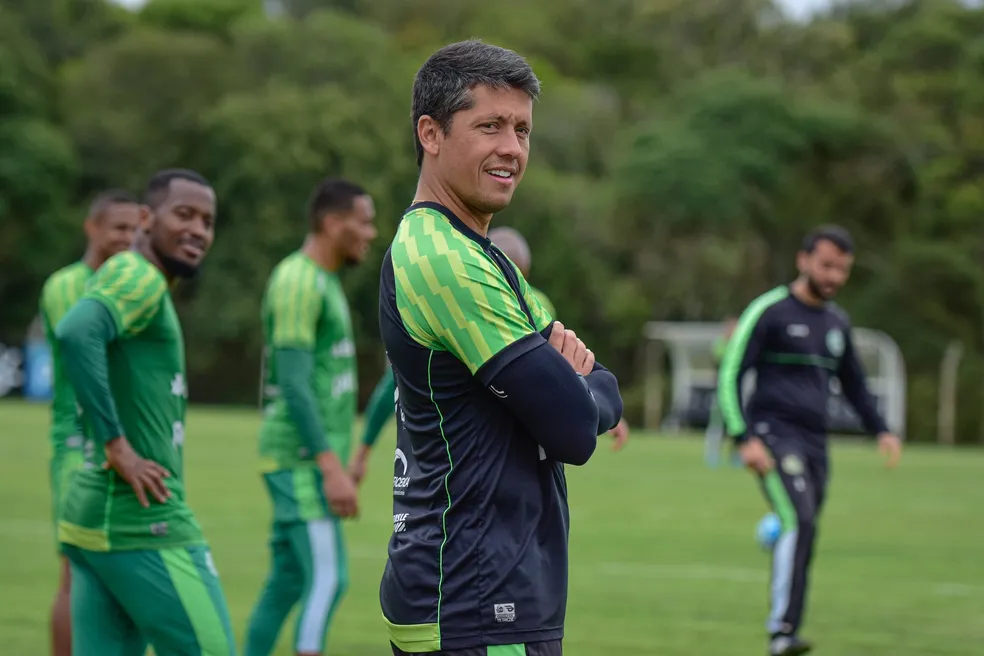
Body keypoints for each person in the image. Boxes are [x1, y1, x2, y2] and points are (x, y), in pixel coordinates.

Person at [377, 40, 623, 655]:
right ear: (430, 133)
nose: (511, 149)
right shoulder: (443, 257)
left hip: (494, 587)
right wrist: (578, 388)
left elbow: (604, 391)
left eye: (522, 130)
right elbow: (573, 427)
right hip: (473, 594)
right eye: (489, 126)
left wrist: (582, 390)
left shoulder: (486, 258)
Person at [55, 169, 236, 656]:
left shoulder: (140, 280)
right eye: (184, 214)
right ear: (144, 218)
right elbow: (76, 331)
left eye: (207, 220)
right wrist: (117, 445)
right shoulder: (139, 274)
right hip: (143, 520)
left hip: (95, 519)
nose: (198, 229)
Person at [716, 225, 903, 656]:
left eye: (843, 269)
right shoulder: (770, 310)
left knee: (800, 523)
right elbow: (731, 373)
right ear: (803, 261)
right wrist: (743, 437)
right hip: (772, 437)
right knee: (801, 519)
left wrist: (883, 429)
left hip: (816, 443)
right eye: (826, 265)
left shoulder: (837, 322)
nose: (834, 276)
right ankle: (783, 632)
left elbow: (854, 384)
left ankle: (772, 530)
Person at [245, 178, 377, 656]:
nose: (372, 232)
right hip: (300, 461)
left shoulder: (325, 282)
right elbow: (295, 383)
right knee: (328, 578)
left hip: (308, 460)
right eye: (363, 221)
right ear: (331, 223)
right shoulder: (298, 281)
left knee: (286, 584)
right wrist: (330, 466)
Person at [39, 189, 141, 656]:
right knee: (73, 574)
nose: (128, 237)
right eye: (117, 227)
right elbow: (86, 354)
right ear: (91, 227)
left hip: (122, 446)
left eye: (135, 228)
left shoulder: (129, 284)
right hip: (79, 445)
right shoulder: (67, 285)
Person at [488, 225, 630, 451]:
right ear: (526, 270)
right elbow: (560, 359)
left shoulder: (476, 296)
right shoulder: (538, 301)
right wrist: (593, 401)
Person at [704, 316, 739, 468]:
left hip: (737, 391)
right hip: (720, 390)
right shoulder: (720, 343)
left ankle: (737, 457)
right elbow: (720, 358)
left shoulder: (740, 344)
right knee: (716, 424)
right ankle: (712, 456)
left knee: (737, 425)